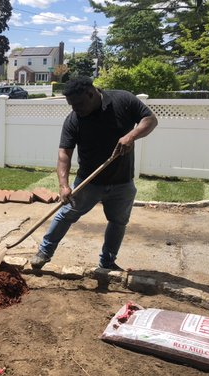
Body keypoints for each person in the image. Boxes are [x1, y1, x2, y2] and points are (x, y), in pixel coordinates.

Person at [30, 76, 158, 271]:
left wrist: (131, 136)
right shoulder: (74, 120)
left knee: (118, 222)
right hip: (88, 182)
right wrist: (64, 186)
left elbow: (150, 120)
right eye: (71, 105)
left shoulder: (122, 100)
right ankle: (44, 252)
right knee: (66, 214)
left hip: (122, 182)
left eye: (78, 104)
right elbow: (64, 154)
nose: (75, 109)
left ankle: (107, 262)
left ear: (91, 93)